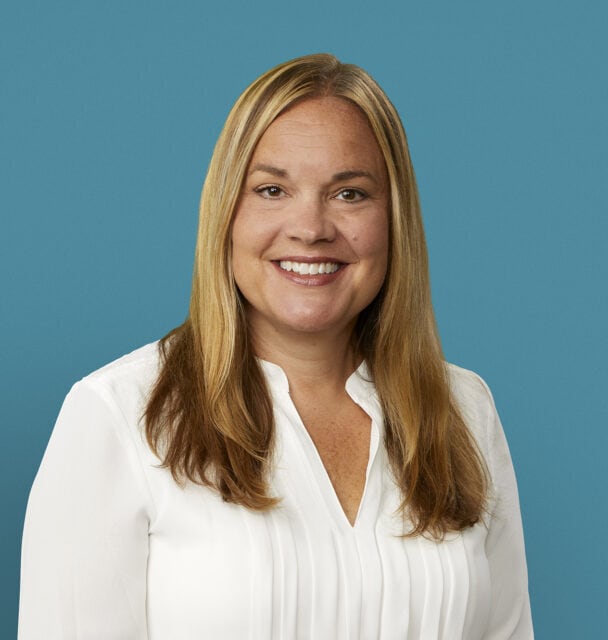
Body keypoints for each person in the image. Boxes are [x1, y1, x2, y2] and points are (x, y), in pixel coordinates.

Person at [19, 53, 533, 639]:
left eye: (350, 194)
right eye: (271, 189)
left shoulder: (465, 409)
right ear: (225, 215)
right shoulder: (119, 415)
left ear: (394, 220)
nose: (311, 228)